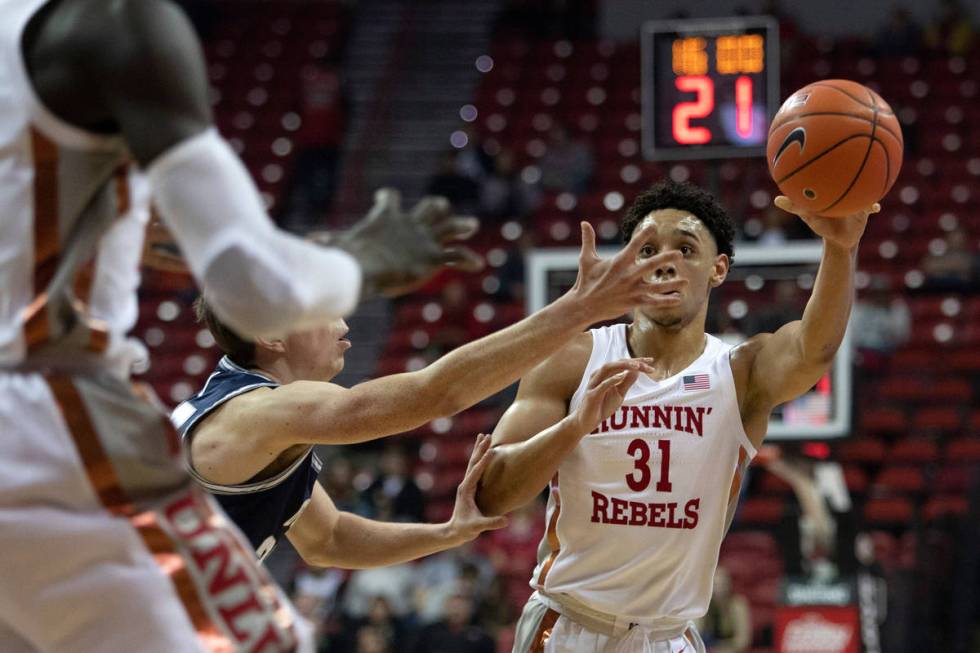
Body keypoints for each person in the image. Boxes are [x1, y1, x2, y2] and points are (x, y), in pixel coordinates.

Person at [0, 0, 486, 650]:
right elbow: (250, 283)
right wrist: (361, 259)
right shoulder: (115, 21)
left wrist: (120, 226)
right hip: (44, 418)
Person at [475, 179, 878, 652]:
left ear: (718, 268)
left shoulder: (741, 373)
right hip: (567, 627)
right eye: (647, 250)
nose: (665, 261)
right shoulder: (570, 359)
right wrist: (575, 427)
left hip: (671, 637)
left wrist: (839, 247)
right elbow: (491, 494)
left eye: (686, 248)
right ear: (628, 266)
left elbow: (815, 348)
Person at [172, 221, 687, 565]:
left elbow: (330, 540)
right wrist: (578, 309)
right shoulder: (259, 411)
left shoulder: (253, 420)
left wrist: (445, 533)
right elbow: (434, 394)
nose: (342, 320)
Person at [696, 567, 751, 653]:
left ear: (729, 585)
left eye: (723, 584)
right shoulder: (702, 606)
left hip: (731, 650)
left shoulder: (738, 605)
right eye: (715, 585)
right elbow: (695, 635)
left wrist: (723, 649)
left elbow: (743, 640)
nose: (719, 589)